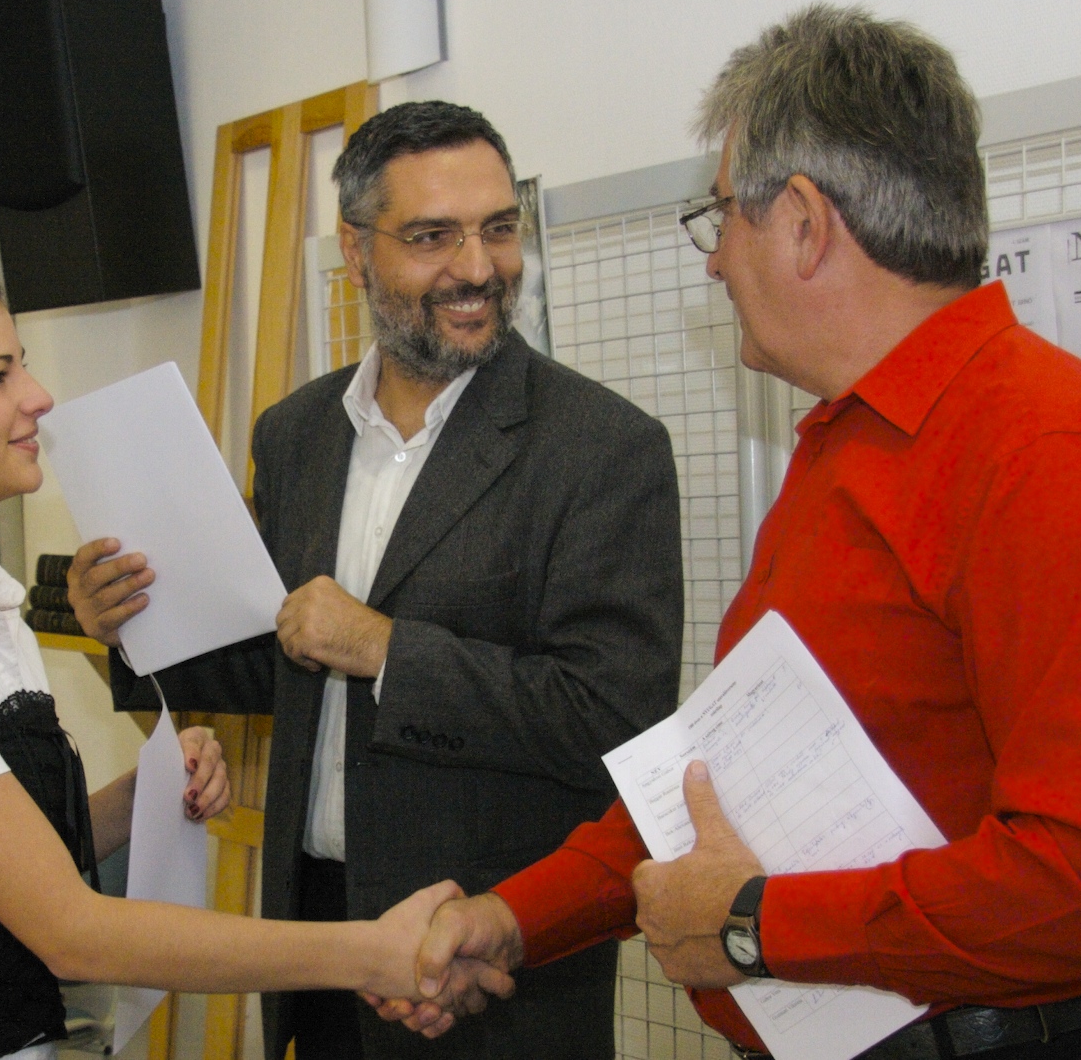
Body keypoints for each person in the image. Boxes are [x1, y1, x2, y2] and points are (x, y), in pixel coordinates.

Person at [390, 5, 1081, 1060]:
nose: (713, 264)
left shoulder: (1051, 450)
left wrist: (755, 923)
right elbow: (715, 791)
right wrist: (512, 917)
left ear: (800, 221)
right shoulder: (845, 446)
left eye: (720, 220)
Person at [0, 242, 510, 1060]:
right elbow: (70, 931)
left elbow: (0, 863)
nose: (38, 398)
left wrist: (145, 794)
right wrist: (369, 951)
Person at [69, 101, 684, 1059]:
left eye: (498, 228)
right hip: (316, 940)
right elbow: (279, 657)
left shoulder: (602, 448)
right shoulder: (296, 434)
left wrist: (387, 649)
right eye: (434, 237)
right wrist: (130, 619)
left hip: (487, 969)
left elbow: (613, 718)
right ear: (355, 252)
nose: (478, 267)